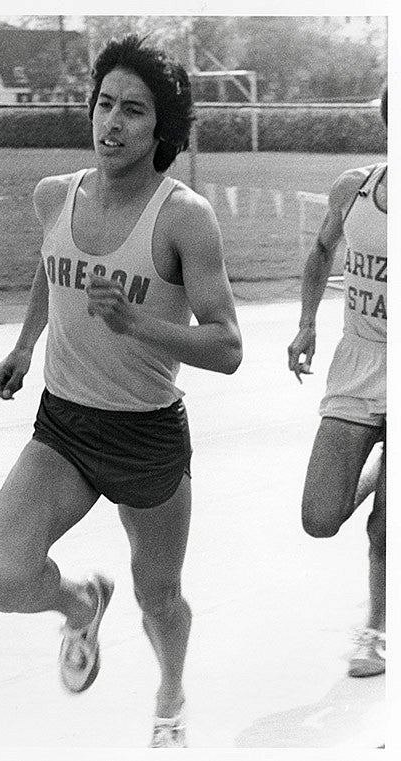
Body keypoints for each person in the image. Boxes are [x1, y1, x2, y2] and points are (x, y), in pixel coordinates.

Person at [0, 34, 242, 748]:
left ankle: (171, 691)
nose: (112, 123)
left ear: (161, 132)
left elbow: (228, 347)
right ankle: (80, 601)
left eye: (133, 110)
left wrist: (139, 324)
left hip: (146, 435)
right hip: (63, 427)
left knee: (159, 595)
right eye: (104, 104)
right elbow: (50, 263)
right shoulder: (54, 196)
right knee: (2, 577)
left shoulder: (184, 217)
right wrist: (24, 344)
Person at [287, 86, 387, 678]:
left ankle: (375, 628)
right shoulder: (355, 188)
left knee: (385, 530)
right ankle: (380, 471)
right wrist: (306, 325)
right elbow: (323, 248)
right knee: (320, 517)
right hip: (359, 362)